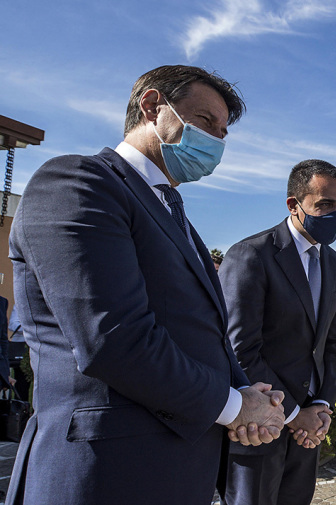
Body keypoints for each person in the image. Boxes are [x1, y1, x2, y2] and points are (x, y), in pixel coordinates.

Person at [7, 65, 288, 505]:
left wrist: (245, 394)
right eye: (204, 122)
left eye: (223, 132)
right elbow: (114, 339)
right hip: (105, 473)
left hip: (178, 467)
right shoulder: (79, 183)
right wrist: (234, 408)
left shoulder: (175, 215)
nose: (216, 140)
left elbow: (202, 332)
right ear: (154, 106)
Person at [221, 159, 336, 505]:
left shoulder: (334, 262)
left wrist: (321, 404)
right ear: (294, 204)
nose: (335, 214)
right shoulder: (251, 256)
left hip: (308, 431)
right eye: (324, 205)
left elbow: (333, 344)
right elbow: (239, 349)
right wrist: (294, 414)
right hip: (258, 428)